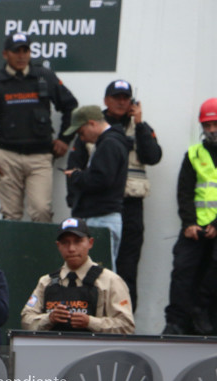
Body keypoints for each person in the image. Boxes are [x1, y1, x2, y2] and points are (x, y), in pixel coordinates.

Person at [67, 80, 162, 309]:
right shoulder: (91, 127)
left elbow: (153, 156)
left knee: (127, 268)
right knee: (98, 268)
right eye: (116, 97)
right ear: (106, 101)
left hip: (130, 206)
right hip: (99, 206)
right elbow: (74, 166)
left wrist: (138, 124)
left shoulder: (138, 128)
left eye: (125, 97)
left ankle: (124, 320)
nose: (121, 102)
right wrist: (76, 204)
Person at [0, 32, 78, 222]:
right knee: (11, 215)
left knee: (42, 211)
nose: (21, 56)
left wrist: (64, 139)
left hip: (40, 157)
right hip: (6, 157)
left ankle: (40, 252)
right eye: (16, 51)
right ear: (5, 54)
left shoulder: (44, 77)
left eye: (25, 51)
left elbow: (71, 106)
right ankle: (10, 253)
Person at [21, 217, 134, 334]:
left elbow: (126, 326)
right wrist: (49, 318)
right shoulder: (46, 282)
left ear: (90, 243)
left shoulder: (110, 281)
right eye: (65, 242)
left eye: (78, 241)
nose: (71, 249)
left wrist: (90, 322)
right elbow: (26, 320)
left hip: (96, 350)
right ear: (58, 245)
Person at [162, 98, 217, 336]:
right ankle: (176, 324)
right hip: (194, 228)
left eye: (215, 124)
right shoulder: (194, 154)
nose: (212, 130)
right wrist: (189, 223)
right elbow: (184, 191)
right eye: (208, 125)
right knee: (182, 270)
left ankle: (205, 318)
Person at [63, 105, 132, 269]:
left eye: (81, 132)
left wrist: (77, 176)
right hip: (103, 217)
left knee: (100, 275)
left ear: (92, 123)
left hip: (102, 218)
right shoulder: (110, 142)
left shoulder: (109, 143)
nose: (82, 138)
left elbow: (101, 179)